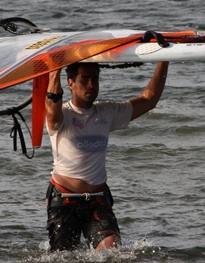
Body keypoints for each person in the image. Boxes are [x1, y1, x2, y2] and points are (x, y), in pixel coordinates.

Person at [44, 61, 169, 251]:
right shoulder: (63, 115)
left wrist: (163, 60)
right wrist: (55, 69)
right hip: (64, 200)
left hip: (97, 199)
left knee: (112, 251)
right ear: (70, 83)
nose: (91, 85)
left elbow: (149, 100)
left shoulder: (107, 112)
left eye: (95, 79)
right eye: (84, 79)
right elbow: (52, 112)